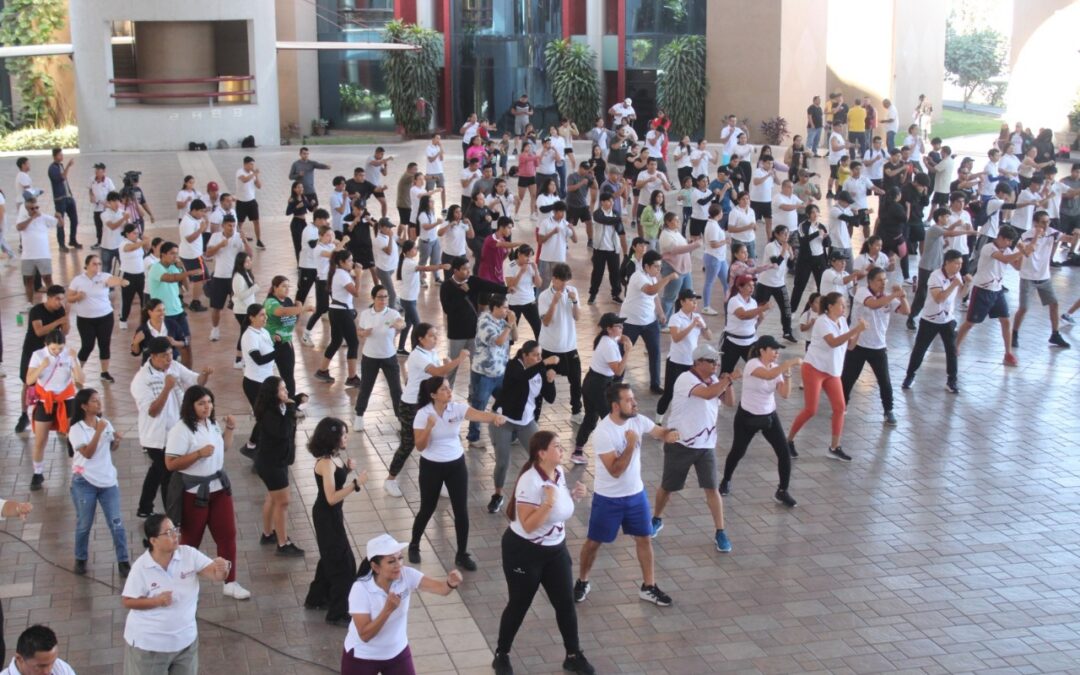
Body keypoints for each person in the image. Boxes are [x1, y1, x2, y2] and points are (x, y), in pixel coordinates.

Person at [492, 432, 595, 675]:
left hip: (555, 551)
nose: (562, 449)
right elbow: (528, 524)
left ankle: (573, 654)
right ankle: (502, 654)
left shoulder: (557, 473)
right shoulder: (530, 480)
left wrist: (572, 496)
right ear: (542, 453)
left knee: (565, 604)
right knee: (519, 604)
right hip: (524, 552)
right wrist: (548, 503)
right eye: (557, 446)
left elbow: (556, 507)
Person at [574, 383, 680, 606]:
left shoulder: (637, 420)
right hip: (608, 499)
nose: (635, 403)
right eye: (629, 400)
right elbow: (615, 470)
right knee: (594, 543)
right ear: (615, 406)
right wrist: (631, 444)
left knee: (644, 538)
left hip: (635, 496)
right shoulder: (603, 432)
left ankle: (649, 586)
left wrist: (669, 434)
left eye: (633, 399)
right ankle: (583, 581)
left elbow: (658, 432)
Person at [408, 377, 505, 570]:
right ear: (433, 395)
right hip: (431, 466)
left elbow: (477, 414)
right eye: (444, 389)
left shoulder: (457, 408)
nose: (449, 391)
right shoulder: (423, 414)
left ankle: (462, 554)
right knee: (427, 507)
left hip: (456, 465)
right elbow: (419, 446)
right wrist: (429, 427)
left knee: (461, 510)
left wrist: (494, 418)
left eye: (449, 388)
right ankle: (414, 544)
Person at [164, 385, 250, 600]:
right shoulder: (181, 429)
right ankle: (179, 583)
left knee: (227, 534)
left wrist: (229, 430)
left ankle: (230, 581)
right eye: (201, 403)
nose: (207, 407)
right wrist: (197, 454)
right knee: (190, 540)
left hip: (219, 488)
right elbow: (170, 463)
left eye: (209, 402)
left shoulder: (210, 424)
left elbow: (224, 449)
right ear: (191, 406)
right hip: (194, 492)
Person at [652, 343, 740, 550]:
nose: (716, 365)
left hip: (706, 445)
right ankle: (656, 518)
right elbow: (708, 394)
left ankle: (720, 531)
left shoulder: (715, 380)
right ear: (698, 362)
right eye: (711, 361)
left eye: (716, 361)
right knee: (668, 487)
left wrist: (729, 383)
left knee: (712, 488)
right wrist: (728, 379)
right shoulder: (685, 379)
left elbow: (729, 403)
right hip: (681, 443)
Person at [121, 514, 231, 675]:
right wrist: (156, 601)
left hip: (185, 643)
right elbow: (128, 601)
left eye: (175, 530)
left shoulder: (188, 555)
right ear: (153, 541)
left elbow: (216, 575)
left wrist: (223, 569)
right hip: (149, 647)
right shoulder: (141, 567)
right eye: (168, 533)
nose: (175, 536)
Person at [342, 534, 464, 675]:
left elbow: (441, 589)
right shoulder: (360, 589)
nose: (398, 565)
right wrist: (387, 610)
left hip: (397, 652)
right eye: (391, 561)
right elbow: (365, 635)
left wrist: (450, 583)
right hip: (363, 656)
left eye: (400, 558)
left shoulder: (407, 575)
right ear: (375, 567)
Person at [383, 324, 469, 498]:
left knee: (437, 441)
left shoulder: (431, 353)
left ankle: (441, 482)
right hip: (411, 405)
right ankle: (390, 480)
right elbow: (437, 371)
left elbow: (437, 377)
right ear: (420, 338)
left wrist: (446, 367)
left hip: (427, 403)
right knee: (408, 444)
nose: (435, 339)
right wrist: (458, 359)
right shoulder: (416, 355)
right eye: (431, 336)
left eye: (436, 335)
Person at [131, 336, 210, 519]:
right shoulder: (142, 380)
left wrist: (205, 375)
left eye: (170, 354)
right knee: (168, 474)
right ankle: (172, 516)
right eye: (164, 356)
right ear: (153, 357)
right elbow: (152, 411)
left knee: (158, 471)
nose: (169, 359)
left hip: (176, 433)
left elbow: (196, 381)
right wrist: (167, 388)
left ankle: (145, 506)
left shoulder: (173, 366)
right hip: (156, 438)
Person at [785, 292, 867, 462]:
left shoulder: (842, 321)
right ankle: (788, 441)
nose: (845, 308)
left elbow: (850, 346)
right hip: (814, 368)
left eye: (845, 305)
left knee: (840, 408)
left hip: (832, 371)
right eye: (842, 305)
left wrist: (858, 333)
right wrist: (856, 329)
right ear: (830, 306)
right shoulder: (822, 321)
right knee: (811, 410)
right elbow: (833, 342)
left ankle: (834, 447)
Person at [719, 336, 801, 506]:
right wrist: (790, 363)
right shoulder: (752, 365)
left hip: (769, 416)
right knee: (738, 451)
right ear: (762, 350)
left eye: (777, 351)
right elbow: (768, 376)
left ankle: (782, 491)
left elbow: (785, 394)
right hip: (747, 417)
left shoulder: (776, 368)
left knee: (783, 452)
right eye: (773, 350)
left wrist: (787, 374)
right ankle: (726, 480)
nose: (776, 354)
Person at [304, 417, 368, 625]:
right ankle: (338, 612)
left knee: (329, 557)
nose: (346, 437)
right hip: (326, 517)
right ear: (332, 437)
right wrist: (355, 484)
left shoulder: (334, 458)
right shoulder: (325, 463)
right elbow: (331, 498)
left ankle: (316, 598)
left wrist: (347, 471)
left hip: (332, 516)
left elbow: (335, 483)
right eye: (343, 434)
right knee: (344, 564)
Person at [487, 341, 559, 513]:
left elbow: (550, 398)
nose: (539, 358)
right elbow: (521, 378)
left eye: (540, 355)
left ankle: (544, 492)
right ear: (524, 356)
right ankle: (497, 495)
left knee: (541, 457)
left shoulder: (539, 369)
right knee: (503, 461)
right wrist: (545, 364)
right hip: (503, 419)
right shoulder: (514, 366)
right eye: (535, 355)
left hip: (526, 422)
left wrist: (550, 380)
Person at [66, 387, 130, 578]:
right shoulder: (76, 429)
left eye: (98, 399)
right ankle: (80, 557)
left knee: (116, 522)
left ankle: (123, 560)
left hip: (107, 481)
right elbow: (88, 453)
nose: (98, 402)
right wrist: (98, 432)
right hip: (84, 482)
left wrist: (116, 440)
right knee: (84, 523)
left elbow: (111, 448)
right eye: (94, 400)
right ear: (84, 406)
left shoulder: (104, 423)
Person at [841, 267, 909, 426]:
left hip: (878, 347)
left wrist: (903, 297)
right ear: (870, 281)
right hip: (858, 344)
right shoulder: (862, 291)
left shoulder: (888, 298)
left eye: (885, 279)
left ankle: (888, 410)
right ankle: (841, 405)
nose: (883, 283)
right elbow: (874, 305)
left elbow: (906, 311)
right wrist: (894, 295)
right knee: (848, 378)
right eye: (879, 280)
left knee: (885, 380)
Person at [956, 226, 1026, 366]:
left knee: (1006, 321)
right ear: (1000, 238)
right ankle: (955, 346)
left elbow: (1017, 267)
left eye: (1011, 242)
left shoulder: (1007, 250)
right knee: (970, 322)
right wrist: (1023, 251)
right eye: (1007, 241)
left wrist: (1022, 254)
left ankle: (1008, 353)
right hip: (982, 290)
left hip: (997, 290)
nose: (1009, 244)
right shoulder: (989, 248)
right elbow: (1005, 260)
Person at [251, 377, 303, 559]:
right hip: (272, 464)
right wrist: (291, 408)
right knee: (283, 502)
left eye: (285, 387)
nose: (286, 392)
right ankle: (283, 543)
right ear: (273, 394)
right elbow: (283, 432)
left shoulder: (276, 408)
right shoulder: (270, 414)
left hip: (275, 461)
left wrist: (294, 402)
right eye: (282, 389)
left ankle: (267, 534)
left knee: (272, 499)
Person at [903, 250, 968, 393]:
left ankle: (952, 380)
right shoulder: (935, 276)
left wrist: (967, 285)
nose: (959, 267)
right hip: (930, 320)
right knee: (920, 349)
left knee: (952, 350)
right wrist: (953, 285)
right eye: (956, 263)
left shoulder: (956, 276)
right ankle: (910, 376)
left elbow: (961, 294)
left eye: (961, 264)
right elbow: (939, 298)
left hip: (948, 319)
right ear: (947, 263)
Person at [26, 330, 83, 491]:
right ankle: (38, 472)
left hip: (66, 399)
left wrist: (74, 361)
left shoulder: (68, 354)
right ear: (47, 345)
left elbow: (81, 380)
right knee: (40, 439)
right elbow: (29, 379)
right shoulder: (38, 355)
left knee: (72, 438)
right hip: (46, 400)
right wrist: (42, 366)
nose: (57, 352)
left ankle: (77, 473)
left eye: (60, 348)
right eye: (54, 349)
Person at [439, 256, 507, 390]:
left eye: (468, 268)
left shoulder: (472, 281)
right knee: (453, 365)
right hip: (456, 333)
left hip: (474, 331)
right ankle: (447, 390)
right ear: (455, 271)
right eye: (464, 269)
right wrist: (462, 292)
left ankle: (473, 392)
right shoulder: (446, 286)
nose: (468, 272)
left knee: (475, 365)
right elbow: (447, 309)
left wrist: (506, 289)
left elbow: (489, 285)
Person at [573, 313, 633, 464]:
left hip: (593, 383)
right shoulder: (607, 345)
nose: (621, 329)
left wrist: (624, 338)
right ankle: (614, 452)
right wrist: (627, 352)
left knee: (591, 418)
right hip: (598, 386)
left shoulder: (608, 338)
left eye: (622, 326)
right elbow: (618, 371)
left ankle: (578, 451)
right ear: (609, 329)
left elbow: (621, 337)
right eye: (618, 326)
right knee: (610, 419)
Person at [1012, 211, 1075, 349]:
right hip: (1028, 277)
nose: (1046, 225)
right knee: (1023, 308)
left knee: (1054, 304)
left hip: (1044, 277)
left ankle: (1055, 334)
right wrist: (1036, 236)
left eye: (1048, 222)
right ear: (1035, 223)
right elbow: (1027, 252)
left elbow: (1067, 239)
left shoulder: (1052, 232)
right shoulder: (1026, 236)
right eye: (1043, 222)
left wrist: (1075, 235)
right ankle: (1014, 334)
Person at [621, 250, 679, 394]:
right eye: (656, 267)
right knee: (622, 352)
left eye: (660, 267)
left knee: (655, 352)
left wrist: (660, 313)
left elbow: (655, 298)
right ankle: (615, 382)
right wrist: (669, 278)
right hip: (631, 322)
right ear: (646, 266)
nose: (659, 270)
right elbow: (651, 291)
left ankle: (655, 383)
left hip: (649, 322)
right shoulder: (638, 276)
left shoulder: (652, 277)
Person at [67, 254, 127, 384]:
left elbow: (113, 280)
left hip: (105, 317)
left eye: (99, 264)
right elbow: (69, 298)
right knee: (87, 345)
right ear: (87, 265)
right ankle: (77, 371)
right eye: (94, 264)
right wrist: (77, 296)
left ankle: (104, 372)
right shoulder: (78, 280)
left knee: (104, 344)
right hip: (85, 319)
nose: (98, 266)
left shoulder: (104, 277)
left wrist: (121, 281)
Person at [15, 286, 68, 435]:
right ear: (49, 298)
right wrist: (59, 320)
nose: (60, 302)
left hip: (51, 351)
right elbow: (39, 331)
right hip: (32, 350)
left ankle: (58, 416)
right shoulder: (36, 310)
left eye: (62, 299)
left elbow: (66, 331)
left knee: (56, 382)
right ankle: (24, 414)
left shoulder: (61, 311)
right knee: (27, 382)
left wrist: (66, 319)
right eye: (57, 299)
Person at [353, 285, 405, 430]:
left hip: (389, 356)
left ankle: (401, 418)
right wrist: (363, 333)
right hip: (370, 356)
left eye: (386, 297)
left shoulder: (393, 313)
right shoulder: (366, 314)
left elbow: (402, 323)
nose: (383, 300)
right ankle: (359, 416)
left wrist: (398, 324)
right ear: (373, 298)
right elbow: (359, 330)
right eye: (380, 297)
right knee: (365, 387)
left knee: (396, 389)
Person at [538, 263, 584, 423]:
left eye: (567, 281)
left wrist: (575, 302)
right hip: (549, 347)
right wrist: (554, 303)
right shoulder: (544, 296)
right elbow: (546, 322)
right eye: (562, 281)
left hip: (570, 346)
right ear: (554, 279)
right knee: (544, 383)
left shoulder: (572, 292)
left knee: (576, 381)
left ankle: (576, 411)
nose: (565, 285)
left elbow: (577, 318)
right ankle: (534, 414)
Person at [657, 289, 712, 419]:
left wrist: (703, 327)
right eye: (691, 301)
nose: (694, 304)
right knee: (669, 393)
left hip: (691, 362)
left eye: (695, 302)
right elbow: (676, 337)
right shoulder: (676, 318)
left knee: (690, 392)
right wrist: (692, 325)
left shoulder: (698, 317)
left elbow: (709, 336)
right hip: (676, 362)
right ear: (682, 302)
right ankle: (658, 420)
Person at [314, 250, 363, 386]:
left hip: (335, 311)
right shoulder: (342, 275)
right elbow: (356, 293)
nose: (352, 263)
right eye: (350, 261)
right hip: (342, 313)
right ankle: (352, 377)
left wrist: (355, 273)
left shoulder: (339, 272)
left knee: (336, 341)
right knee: (353, 343)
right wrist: (359, 276)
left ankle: (322, 370)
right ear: (341, 262)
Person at [147, 242, 197, 367]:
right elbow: (170, 278)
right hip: (165, 314)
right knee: (168, 349)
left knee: (186, 343)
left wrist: (183, 268)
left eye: (176, 253)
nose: (175, 256)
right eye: (172, 254)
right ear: (163, 254)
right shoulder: (156, 268)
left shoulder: (174, 267)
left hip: (178, 311)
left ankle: (188, 373)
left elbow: (186, 286)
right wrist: (189, 273)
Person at [754, 226, 796, 342]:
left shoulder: (787, 247)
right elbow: (776, 262)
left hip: (779, 283)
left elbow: (791, 266)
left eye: (787, 234)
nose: (786, 236)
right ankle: (751, 328)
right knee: (758, 308)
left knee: (786, 309)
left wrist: (791, 255)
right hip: (765, 283)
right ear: (776, 234)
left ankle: (787, 332)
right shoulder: (770, 246)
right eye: (783, 234)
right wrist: (784, 250)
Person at [722, 275, 770, 376]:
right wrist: (762, 308)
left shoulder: (753, 302)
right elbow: (743, 315)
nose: (752, 288)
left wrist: (756, 323)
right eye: (748, 286)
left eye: (753, 285)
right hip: (732, 342)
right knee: (726, 373)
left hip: (750, 341)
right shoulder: (734, 301)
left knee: (758, 368)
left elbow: (758, 319)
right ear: (740, 287)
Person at [15, 196, 57, 308]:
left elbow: (59, 223)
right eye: (32, 208)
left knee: (48, 279)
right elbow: (19, 227)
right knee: (28, 280)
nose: (35, 210)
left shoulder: (44, 217)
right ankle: (29, 303)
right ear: (27, 209)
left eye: (36, 207)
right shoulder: (22, 218)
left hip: (43, 255)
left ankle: (52, 301)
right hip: (27, 256)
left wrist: (60, 217)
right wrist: (32, 218)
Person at [587, 192, 627, 304]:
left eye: (612, 201)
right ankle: (593, 294)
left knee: (615, 273)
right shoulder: (597, 213)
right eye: (609, 201)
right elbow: (603, 220)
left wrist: (625, 250)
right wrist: (619, 220)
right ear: (602, 202)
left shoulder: (615, 214)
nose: (611, 203)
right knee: (597, 273)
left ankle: (616, 294)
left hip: (613, 250)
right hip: (599, 249)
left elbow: (620, 231)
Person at [790, 204, 829, 313]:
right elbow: (803, 241)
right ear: (808, 214)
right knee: (799, 286)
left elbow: (826, 244)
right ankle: (792, 310)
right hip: (806, 260)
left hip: (820, 258)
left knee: (822, 286)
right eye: (812, 212)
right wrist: (817, 234)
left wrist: (826, 237)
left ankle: (812, 310)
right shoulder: (803, 226)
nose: (815, 214)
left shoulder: (822, 226)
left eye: (816, 212)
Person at [504, 244, 541, 338]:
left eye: (530, 256)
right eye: (526, 256)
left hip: (529, 301)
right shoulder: (511, 265)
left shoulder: (531, 266)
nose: (528, 259)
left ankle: (540, 351)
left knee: (539, 329)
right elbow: (510, 285)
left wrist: (536, 271)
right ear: (519, 254)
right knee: (511, 333)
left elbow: (538, 284)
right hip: (514, 303)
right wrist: (521, 272)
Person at [6, 625, 76, 675]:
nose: (48, 671)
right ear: (20, 659)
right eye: (41, 666)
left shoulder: (60, 666)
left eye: (52, 662)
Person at [49, 147, 79, 249]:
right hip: (60, 199)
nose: (62, 156)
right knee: (60, 222)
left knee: (74, 219)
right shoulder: (52, 168)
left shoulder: (60, 165)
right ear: (54, 156)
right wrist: (68, 166)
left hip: (68, 196)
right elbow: (62, 177)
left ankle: (73, 240)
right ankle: (61, 244)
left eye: (62, 154)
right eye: (60, 155)